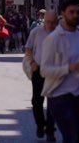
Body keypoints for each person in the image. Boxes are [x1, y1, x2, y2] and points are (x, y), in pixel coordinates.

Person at [41, 0, 79, 143]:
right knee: (71, 138)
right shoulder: (53, 38)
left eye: (78, 12)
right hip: (61, 96)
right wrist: (68, 68)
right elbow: (44, 70)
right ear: (63, 13)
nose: (75, 15)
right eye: (71, 12)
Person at [25, 9, 58, 141]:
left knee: (53, 102)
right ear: (44, 20)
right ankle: (40, 124)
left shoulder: (60, 33)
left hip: (54, 71)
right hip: (38, 69)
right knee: (37, 101)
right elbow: (28, 48)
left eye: (53, 22)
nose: (50, 25)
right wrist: (32, 62)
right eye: (48, 22)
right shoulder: (36, 32)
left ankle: (50, 130)